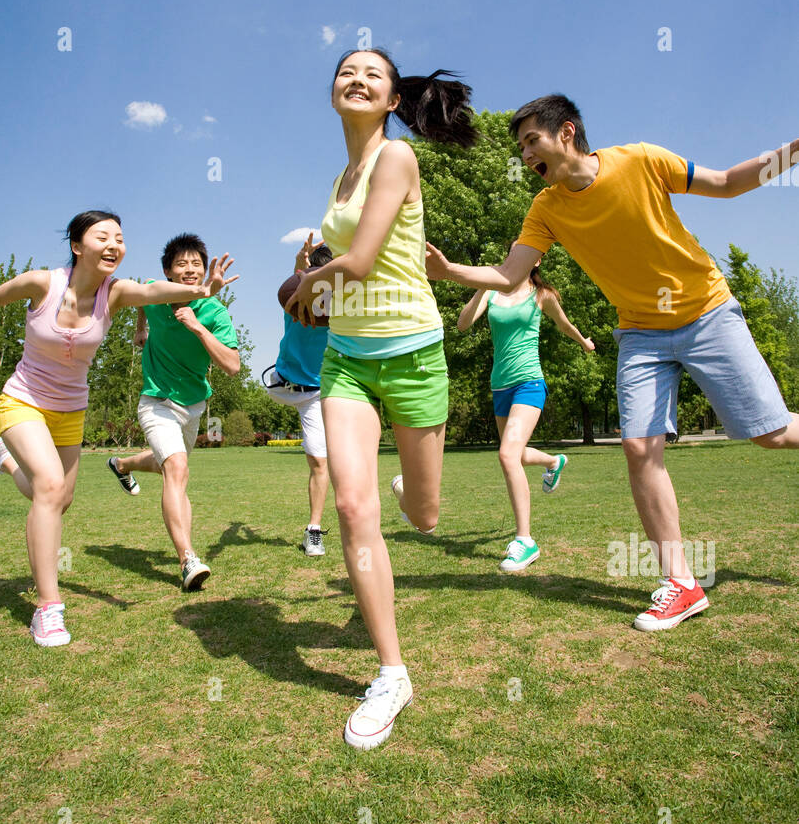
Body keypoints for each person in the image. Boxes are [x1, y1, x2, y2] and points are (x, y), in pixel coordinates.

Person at [426, 96, 799, 632]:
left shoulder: (641, 160)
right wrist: (450, 270)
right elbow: (510, 275)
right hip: (641, 334)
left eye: (532, 140)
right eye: (522, 147)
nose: (526, 154)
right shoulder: (546, 208)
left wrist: (792, 150)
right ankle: (682, 583)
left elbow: (726, 183)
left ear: (566, 132)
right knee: (638, 447)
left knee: (772, 433)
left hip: (707, 312)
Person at [286, 47, 478, 749]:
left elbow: (359, 262)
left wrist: (307, 286)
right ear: (332, 92)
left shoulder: (395, 160)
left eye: (373, 74)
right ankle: (392, 672)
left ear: (393, 100)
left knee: (423, 518)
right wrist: (309, 282)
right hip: (347, 364)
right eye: (345, 71)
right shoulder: (339, 179)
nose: (357, 78)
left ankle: (410, 487)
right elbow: (336, 271)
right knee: (348, 504)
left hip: (414, 355)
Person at [0, 212, 234, 646]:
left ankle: (3, 459)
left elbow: (154, 290)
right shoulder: (42, 283)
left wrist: (201, 290)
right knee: (51, 487)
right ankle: (48, 608)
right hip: (23, 400)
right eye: (103, 237)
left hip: (71, 410)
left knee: (59, 499)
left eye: (120, 238)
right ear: (78, 245)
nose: (115, 245)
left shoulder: (117, 294)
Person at [106, 233, 241, 591]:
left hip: (193, 405)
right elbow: (137, 294)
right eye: (181, 264)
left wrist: (197, 328)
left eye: (196, 264)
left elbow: (232, 366)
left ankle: (123, 465)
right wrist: (141, 327)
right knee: (177, 470)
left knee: (168, 464)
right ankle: (187, 560)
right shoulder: (154, 291)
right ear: (167, 271)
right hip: (157, 400)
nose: (189, 269)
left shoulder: (215, 312)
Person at [457, 245, 594, 574]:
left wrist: (584, 342)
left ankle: (525, 540)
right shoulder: (492, 293)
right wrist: (483, 283)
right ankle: (553, 461)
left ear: (536, 260)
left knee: (506, 455)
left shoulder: (541, 295)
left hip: (529, 383)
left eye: (526, 252)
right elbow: (462, 325)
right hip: (499, 386)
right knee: (513, 454)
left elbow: (563, 325)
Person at [261, 234, 333, 557]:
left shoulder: (345, 309)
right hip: (282, 383)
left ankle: (313, 531)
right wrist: (300, 260)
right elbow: (296, 280)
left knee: (319, 460)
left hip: (316, 394)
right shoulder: (294, 295)